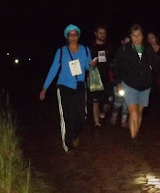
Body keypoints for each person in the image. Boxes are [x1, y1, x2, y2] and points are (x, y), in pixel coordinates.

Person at [40, 24, 97, 152]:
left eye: (75, 34)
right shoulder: (61, 51)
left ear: (78, 36)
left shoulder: (85, 50)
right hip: (64, 87)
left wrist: (92, 65)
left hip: (80, 87)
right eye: (70, 35)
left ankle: (75, 135)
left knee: (81, 116)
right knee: (67, 116)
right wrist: (44, 88)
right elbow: (53, 69)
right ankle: (68, 145)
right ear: (67, 37)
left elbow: (88, 67)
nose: (73, 37)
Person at [114, 24, 160, 142]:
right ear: (130, 36)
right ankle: (134, 138)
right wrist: (118, 83)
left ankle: (136, 133)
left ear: (142, 36)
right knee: (133, 111)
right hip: (129, 84)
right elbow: (117, 67)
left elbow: (157, 63)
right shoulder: (125, 49)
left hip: (145, 86)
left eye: (138, 35)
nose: (136, 38)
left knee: (139, 112)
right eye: (134, 35)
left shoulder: (147, 48)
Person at [88, 25, 114, 130]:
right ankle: (97, 124)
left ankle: (103, 112)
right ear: (96, 33)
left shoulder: (109, 46)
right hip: (94, 77)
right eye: (100, 33)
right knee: (96, 100)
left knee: (110, 99)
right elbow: (85, 61)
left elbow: (114, 60)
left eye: (104, 33)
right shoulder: (90, 47)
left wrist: (112, 65)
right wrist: (90, 64)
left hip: (107, 77)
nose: (103, 35)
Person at [110, 36, 130, 128]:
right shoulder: (118, 53)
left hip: (130, 84)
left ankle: (124, 120)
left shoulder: (135, 54)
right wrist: (117, 83)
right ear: (122, 42)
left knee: (127, 102)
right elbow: (115, 69)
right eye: (126, 42)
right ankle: (114, 115)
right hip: (119, 82)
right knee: (118, 101)